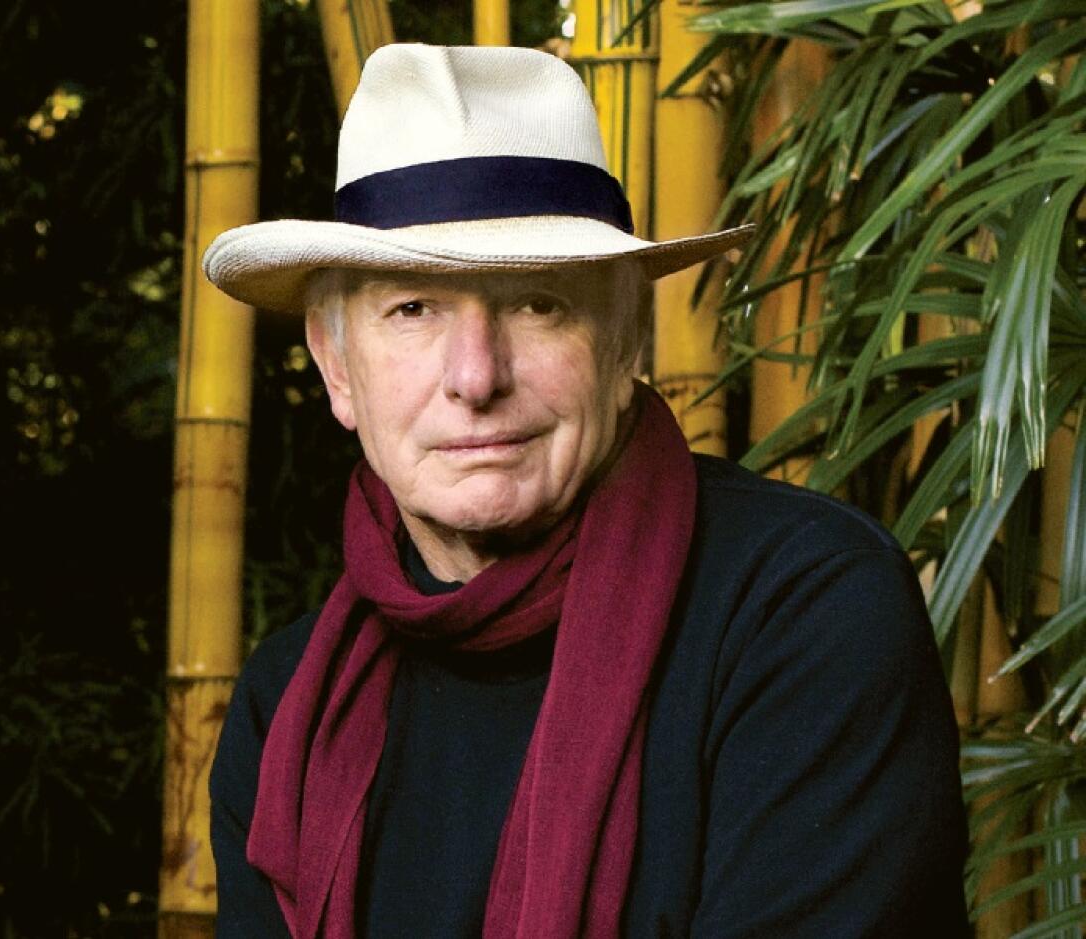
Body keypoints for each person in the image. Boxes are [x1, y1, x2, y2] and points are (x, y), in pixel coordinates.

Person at [203, 43, 968, 938]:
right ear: (337, 368)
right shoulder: (290, 704)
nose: (474, 375)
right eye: (413, 308)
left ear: (625, 339)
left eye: (537, 303)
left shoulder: (805, 610)